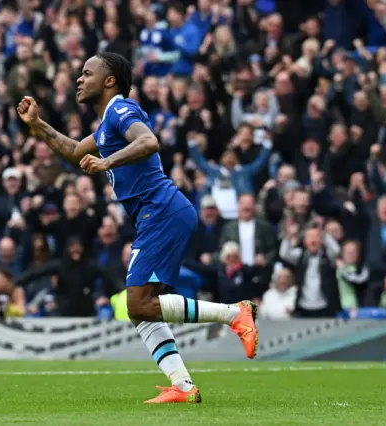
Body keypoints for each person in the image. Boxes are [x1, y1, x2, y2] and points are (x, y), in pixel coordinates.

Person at [16, 52, 258, 404]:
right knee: (142, 307)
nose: (79, 79)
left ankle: (235, 314)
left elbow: (148, 142)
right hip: (158, 213)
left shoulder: (120, 109)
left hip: (161, 210)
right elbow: (73, 152)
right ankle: (183, 386)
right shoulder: (105, 124)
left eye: (87, 73)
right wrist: (37, 125)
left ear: (110, 80)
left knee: (139, 304)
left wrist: (107, 162)